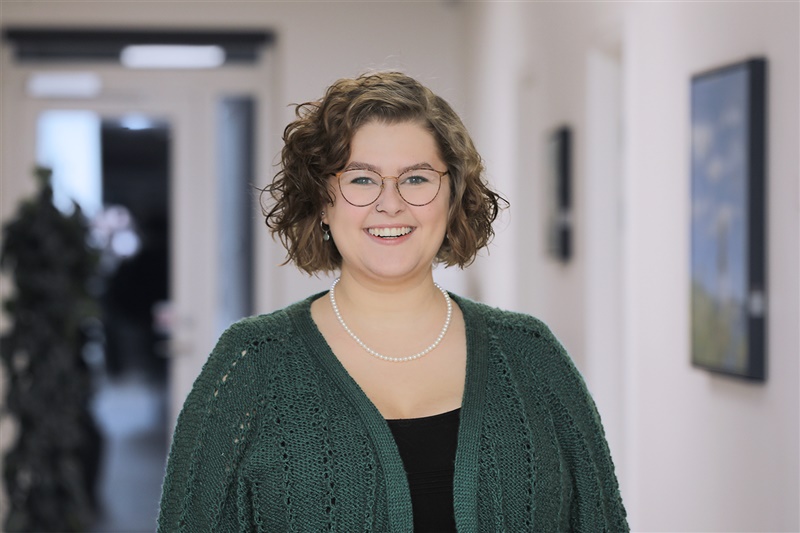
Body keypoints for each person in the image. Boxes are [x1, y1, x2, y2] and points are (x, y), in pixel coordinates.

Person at [157, 71, 628, 532]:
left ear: (452, 197)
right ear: (323, 203)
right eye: (362, 180)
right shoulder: (252, 363)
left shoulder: (531, 353)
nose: (390, 203)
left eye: (417, 178)